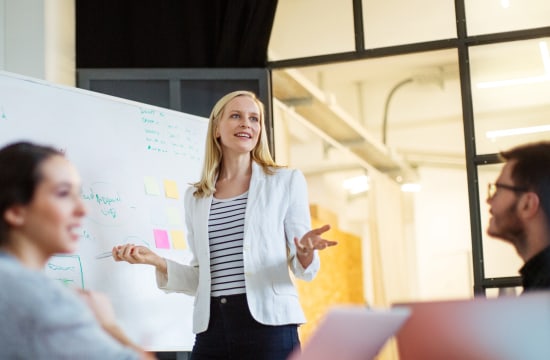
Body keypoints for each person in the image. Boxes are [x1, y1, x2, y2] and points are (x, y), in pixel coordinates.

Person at [114, 90, 338, 359]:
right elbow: (202, 278)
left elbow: (305, 269)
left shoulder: (285, 181)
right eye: (236, 116)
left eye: (254, 119)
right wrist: (158, 262)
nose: (247, 124)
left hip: (270, 326)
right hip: (213, 326)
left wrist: (304, 253)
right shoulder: (196, 197)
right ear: (217, 128)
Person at [0, 141, 155, 360]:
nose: (83, 209)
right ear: (16, 212)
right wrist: (109, 326)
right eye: (63, 194)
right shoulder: (43, 298)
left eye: (79, 194)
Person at [486, 141, 550, 291]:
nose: (489, 200)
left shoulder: (542, 294)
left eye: (498, 189)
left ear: (528, 204)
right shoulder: (538, 284)